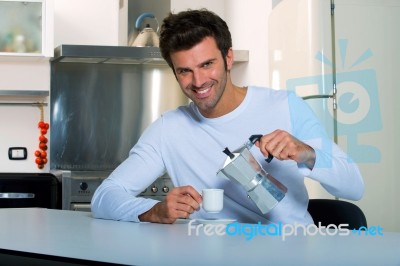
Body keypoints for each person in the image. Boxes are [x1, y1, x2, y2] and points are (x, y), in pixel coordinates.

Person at [91, 9, 364, 225]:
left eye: (207, 64)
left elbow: (354, 186)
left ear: (228, 58)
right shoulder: (168, 129)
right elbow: (104, 197)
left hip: (291, 250)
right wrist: (154, 211)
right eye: (184, 70)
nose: (198, 81)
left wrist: (307, 153)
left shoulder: (285, 106)